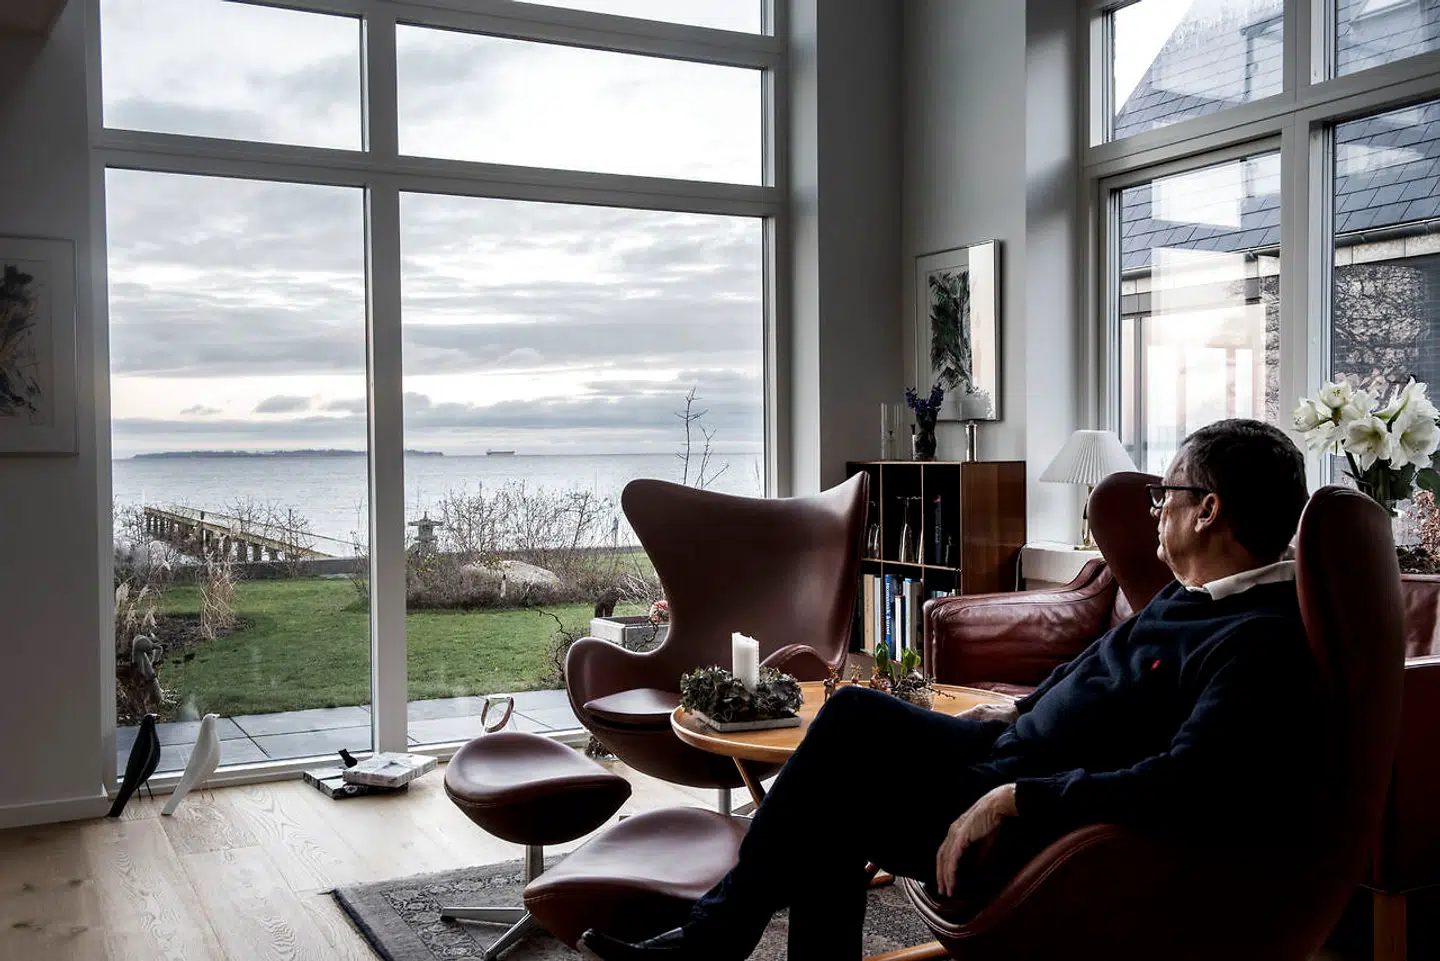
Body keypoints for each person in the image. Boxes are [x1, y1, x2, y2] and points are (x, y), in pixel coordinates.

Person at [579, 419, 1321, 961]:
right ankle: (713, 939)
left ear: (1211, 509)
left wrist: (1019, 798)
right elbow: (1097, 665)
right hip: (1003, 745)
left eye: (1168, 492)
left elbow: (1182, 783)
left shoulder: (1257, 637)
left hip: (1031, 804)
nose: (1155, 506)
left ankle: (710, 942)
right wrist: (1019, 708)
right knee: (852, 712)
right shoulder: (1191, 592)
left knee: (828, 804)